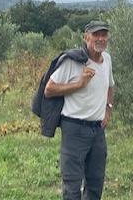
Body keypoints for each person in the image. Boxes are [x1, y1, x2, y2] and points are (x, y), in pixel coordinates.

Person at [44, 20, 115, 200]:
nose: (100, 38)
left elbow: (110, 86)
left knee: (95, 184)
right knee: (72, 185)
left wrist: (108, 109)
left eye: (103, 34)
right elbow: (49, 89)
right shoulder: (72, 61)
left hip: (97, 130)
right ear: (86, 37)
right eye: (95, 35)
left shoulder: (107, 59)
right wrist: (79, 84)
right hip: (74, 129)